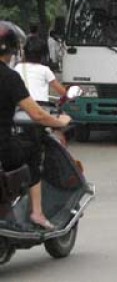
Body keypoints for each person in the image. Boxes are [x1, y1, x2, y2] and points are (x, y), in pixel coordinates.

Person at [0, 22, 71, 230]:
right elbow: (37, 114)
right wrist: (60, 122)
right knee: (32, 154)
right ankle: (37, 213)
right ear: (12, 49)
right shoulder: (10, 77)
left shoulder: (17, 72)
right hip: (3, 147)